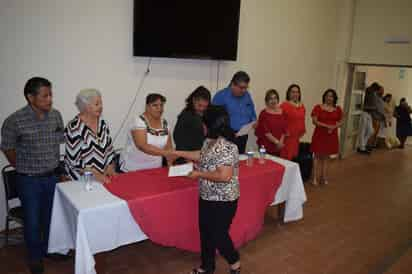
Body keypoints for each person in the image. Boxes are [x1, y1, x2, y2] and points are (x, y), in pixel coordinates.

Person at [1, 77, 66, 274]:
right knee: (32, 221)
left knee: (50, 217)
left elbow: (61, 140)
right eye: (45, 95)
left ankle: (49, 249)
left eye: (51, 94)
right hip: (28, 180)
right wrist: (20, 166)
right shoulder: (15, 120)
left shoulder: (56, 116)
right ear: (31, 97)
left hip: (52, 177)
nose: (50, 99)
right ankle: (35, 258)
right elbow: (7, 147)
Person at [173, 106, 241, 274]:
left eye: (204, 123)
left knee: (218, 234)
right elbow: (201, 155)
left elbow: (224, 176)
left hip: (224, 199)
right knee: (205, 233)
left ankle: (235, 263)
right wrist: (176, 152)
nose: (202, 126)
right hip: (206, 196)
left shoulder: (228, 146)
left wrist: (198, 174)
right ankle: (207, 267)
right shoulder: (208, 140)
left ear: (211, 124)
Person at [64, 89, 117, 183]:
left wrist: (110, 166)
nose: (101, 107)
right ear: (85, 107)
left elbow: (109, 148)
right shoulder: (74, 127)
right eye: (97, 104)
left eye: (101, 103)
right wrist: (95, 174)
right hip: (81, 179)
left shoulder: (102, 123)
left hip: (103, 176)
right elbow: (74, 161)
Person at [119, 93, 174, 172]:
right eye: (155, 105)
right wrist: (165, 153)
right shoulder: (138, 121)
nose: (159, 108)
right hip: (132, 169)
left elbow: (169, 148)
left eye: (161, 105)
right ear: (147, 107)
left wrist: (170, 168)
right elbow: (142, 146)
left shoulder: (165, 124)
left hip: (155, 169)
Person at [212, 71, 257, 154]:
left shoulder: (247, 95)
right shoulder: (221, 96)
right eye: (241, 87)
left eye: (246, 88)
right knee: (226, 163)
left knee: (240, 161)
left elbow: (252, 111)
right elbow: (212, 118)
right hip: (226, 138)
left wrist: (254, 121)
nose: (244, 90)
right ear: (233, 85)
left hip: (243, 136)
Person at [310, 89, 344, 186]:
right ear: (324, 97)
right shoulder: (318, 107)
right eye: (327, 96)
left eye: (331, 96)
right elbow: (314, 121)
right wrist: (327, 126)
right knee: (317, 156)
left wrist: (334, 127)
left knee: (326, 157)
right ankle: (315, 178)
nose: (329, 98)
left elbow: (341, 121)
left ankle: (323, 177)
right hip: (320, 134)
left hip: (331, 135)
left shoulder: (338, 109)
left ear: (334, 98)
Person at [173, 86, 211, 163]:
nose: (202, 109)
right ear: (193, 100)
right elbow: (178, 138)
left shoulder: (201, 115)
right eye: (200, 105)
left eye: (205, 106)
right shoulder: (186, 116)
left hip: (198, 157)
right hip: (187, 159)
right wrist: (187, 159)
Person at [255, 89, 287, 156]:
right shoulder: (263, 113)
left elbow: (284, 130)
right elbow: (266, 132)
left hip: (278, 146)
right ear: (266, 101)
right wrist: (277, 142)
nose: (273, 101)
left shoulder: (283, 112)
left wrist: (280, 142)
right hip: (266, 146)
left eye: (275, 98)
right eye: (270, 99)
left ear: (278, 100)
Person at [280, 84, 306, 160]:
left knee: (293, 160)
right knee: (285, 160)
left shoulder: (302, 106)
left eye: (297, 92)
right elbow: (280, 122)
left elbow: (302, 120)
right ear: (288, 93)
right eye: (293, 92)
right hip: (287, 138)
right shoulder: (284, 105)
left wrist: (301, 132)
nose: (295, 94)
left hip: (296, 138)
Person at [357, 83, 381, 154]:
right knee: (362, 131)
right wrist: (372, 108)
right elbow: (362, 105)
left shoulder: (373, 94)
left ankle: (362, 145)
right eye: (375, 90)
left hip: (369, 114)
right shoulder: (366, 92)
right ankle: (362, 147)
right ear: (373, 87)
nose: (375, 91)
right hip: (364, 112)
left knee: (371, 131)